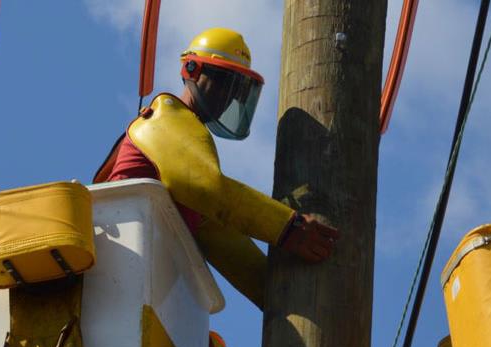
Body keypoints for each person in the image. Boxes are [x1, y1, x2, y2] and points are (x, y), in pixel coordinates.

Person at [93, 28, 339, 309]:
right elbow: (208, 187)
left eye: (237, 91)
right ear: (192, 70)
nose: (227, 97)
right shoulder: (166, 117)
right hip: (120, 258)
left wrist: (285, 299)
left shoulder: (189, 177)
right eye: (222, 81)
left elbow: (224, 239)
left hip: (141, 278)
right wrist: (289, 227)